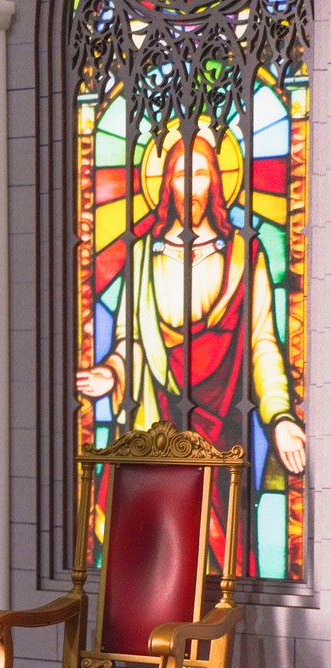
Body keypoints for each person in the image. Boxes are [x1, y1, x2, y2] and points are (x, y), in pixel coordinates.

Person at [77, 134, 305, 564]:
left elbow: (262, 342)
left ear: (216, 181)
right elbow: (130, 340)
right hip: (156, 418)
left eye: (200, 173)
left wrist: (280, 416)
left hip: (224, 421)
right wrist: (112, 371)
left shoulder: (244, 253)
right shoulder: (143, 255)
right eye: (181, 174)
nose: (191, 185)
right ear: (166, 184)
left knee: (221, 552)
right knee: (156, 551)